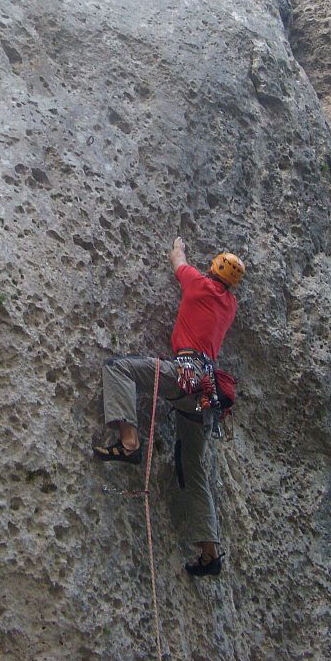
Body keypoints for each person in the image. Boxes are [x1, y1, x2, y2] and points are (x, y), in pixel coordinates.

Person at [93, 237, 244, 578]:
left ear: (213, 269)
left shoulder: (198, 283)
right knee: (193, 468)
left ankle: (129, 443)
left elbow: (178, 260)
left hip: (184, 375)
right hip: (206, 395)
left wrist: (179, 245)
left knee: (118, 368)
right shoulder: (230, 305)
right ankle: (209, 552)